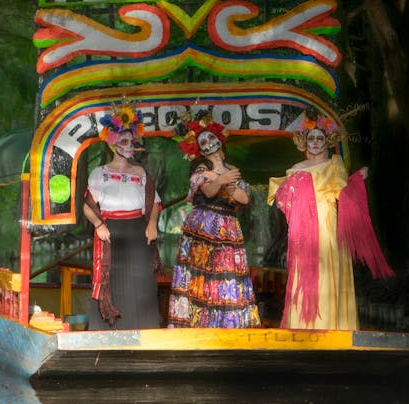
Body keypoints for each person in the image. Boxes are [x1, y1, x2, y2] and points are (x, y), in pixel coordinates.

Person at [267, 111, 392, 330]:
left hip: (329, 222)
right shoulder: (296, 169)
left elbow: (345, 195)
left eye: (320, 138)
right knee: (304, 270)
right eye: (311, 138)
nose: (315, 142)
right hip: (304, 228)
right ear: (305, 141)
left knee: (328, 268)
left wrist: (357, 179)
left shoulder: (335, 164)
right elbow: (283, 198)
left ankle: (330, 324)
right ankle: (305, 324)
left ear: (327, 142)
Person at [168, 112, 261, 328]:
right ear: (198, 149)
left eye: (211, 138)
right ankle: (198, 325)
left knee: (227, 273)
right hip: (205, 224)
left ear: (220, 139)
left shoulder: (231, 170)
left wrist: (225, 181)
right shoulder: (201, 169)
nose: (209, 143)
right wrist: (220, 180)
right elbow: (208, 192)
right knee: (202, 274)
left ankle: (227, 325)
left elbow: (243, 197)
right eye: (203, 142)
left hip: (228, 226)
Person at [83, 103, 162, 329]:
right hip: (110, 231)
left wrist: (152, 224)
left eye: (131, 141)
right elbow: (88, 205)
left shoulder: (141, 173)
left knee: (142, 280)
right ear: (112, 142)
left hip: (138, 230)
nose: (129, 146)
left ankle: (145, 328)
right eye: (124, 141)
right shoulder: (100, 174)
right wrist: (98, 224)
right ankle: (106, 330)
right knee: (110, 278)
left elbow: (155, 202)